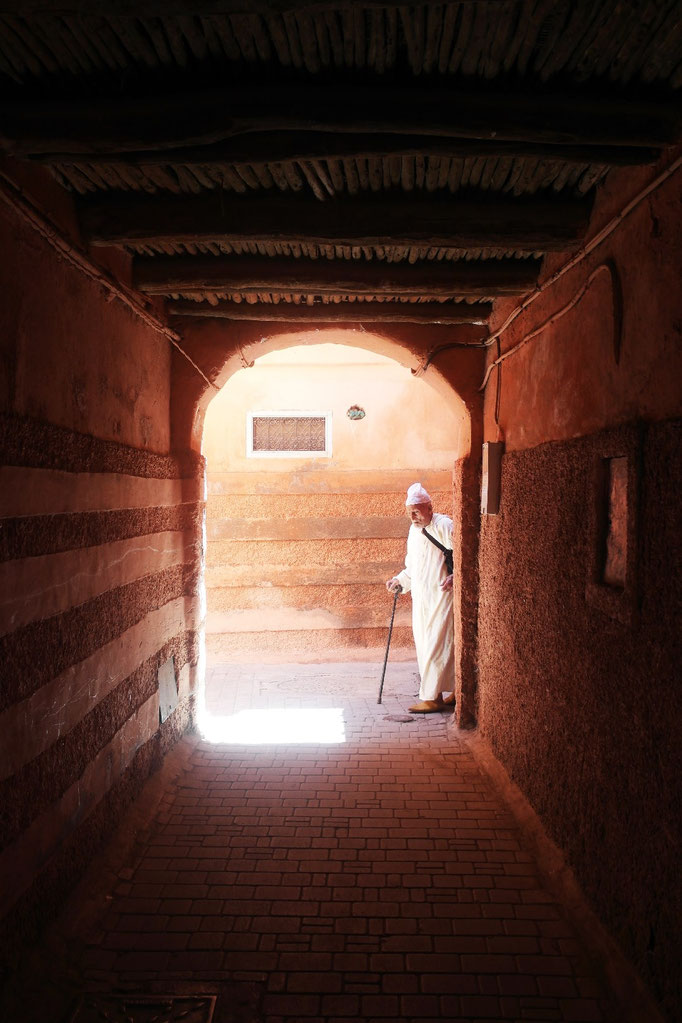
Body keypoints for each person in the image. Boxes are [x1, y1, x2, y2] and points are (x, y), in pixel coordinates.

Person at [386, 483, 455, 713]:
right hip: (422, 598)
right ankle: (455, 691)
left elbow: (463, 553)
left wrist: (456, 575)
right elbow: (413, 566)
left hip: (442, 596)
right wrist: (400, 581)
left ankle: (432, 697)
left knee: (438, 643)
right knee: (427, 644)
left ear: (429, 507)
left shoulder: (443, 525)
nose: (413, 517)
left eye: (416, 511)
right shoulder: (413, 532)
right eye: (409, 513)